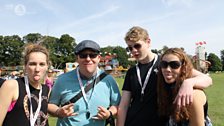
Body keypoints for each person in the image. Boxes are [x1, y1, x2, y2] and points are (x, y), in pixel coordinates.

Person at [117, 26, 212, 126]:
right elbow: (124, 105)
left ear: (148, 42)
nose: (133, 51)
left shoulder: (166, 63)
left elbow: (207, 79)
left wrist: (189, 82)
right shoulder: (131, 72)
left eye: (137, 46)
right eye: (130, 48)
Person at [48, 40, 121, 126]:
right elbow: (50, 105)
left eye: (92, 55)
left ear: (99, 58)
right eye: (83, 55)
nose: (88, 59)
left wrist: (109, 113)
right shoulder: (62, 79)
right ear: (77, 58)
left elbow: (118, 106)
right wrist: (58, 111)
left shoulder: (109, 80)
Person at [157, 48, 212, 125]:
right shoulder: (163, 87)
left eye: (174, 65)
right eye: (164, 64)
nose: (167, 69)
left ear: (183, 67)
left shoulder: (194, 95)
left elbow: (208, 79)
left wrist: (188, 83)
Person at [0, 44, 51, 126]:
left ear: (47, 66)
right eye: (32, 64)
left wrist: (59, 111)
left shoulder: (46, 89)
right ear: (25, 66)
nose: (37, 69)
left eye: (42, 64)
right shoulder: (12, 86)